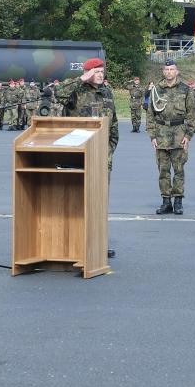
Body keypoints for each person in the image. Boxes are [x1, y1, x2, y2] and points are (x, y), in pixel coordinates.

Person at [55, 57, 119, 257]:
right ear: (88, 73)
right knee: (76, 202)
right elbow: (57, 94)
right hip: (78, 156)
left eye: (101, 71)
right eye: (96, 72)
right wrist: (82, 78)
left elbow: (113, 126)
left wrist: (108, 151)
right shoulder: (76, 91)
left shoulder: (107, 92)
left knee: (99, 203)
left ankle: (98, 244)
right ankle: (76, 244)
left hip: (101, 157)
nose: (100, 75)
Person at [146, 60, 195, 215]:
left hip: (179, 134)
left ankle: (178, 201)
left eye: (172, 69)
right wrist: (152, 135)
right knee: (163, 170)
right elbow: (150, 114)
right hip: (161, 134)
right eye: (166, 69)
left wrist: (188, 135)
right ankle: (166, 201)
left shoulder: (185, 89)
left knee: (179, 170)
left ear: (177, 71)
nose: (169, 72)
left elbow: (192, 114)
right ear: (163, 71)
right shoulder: (156, 90)